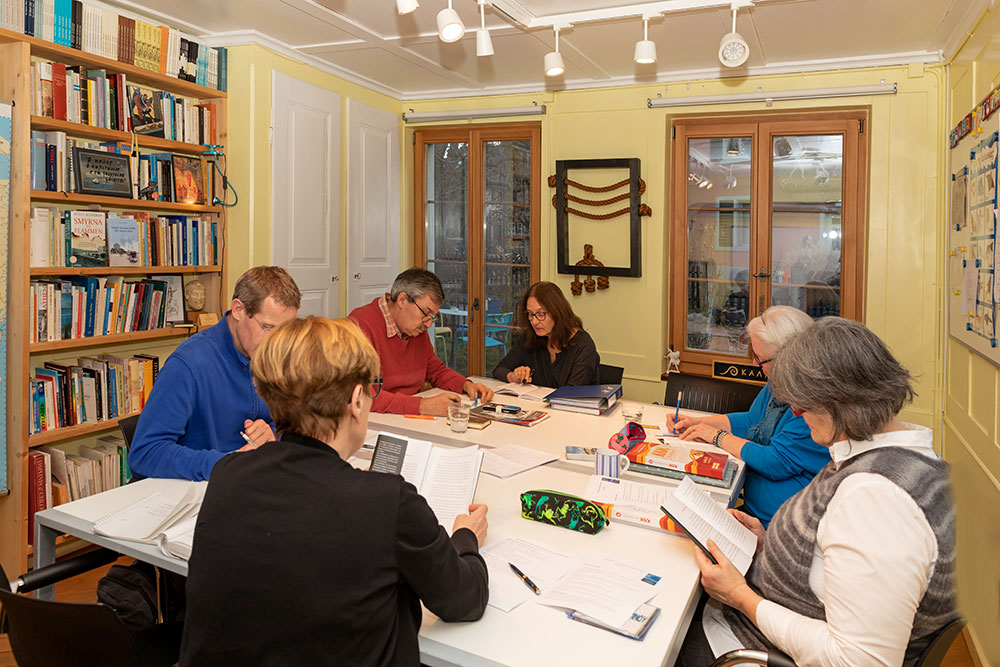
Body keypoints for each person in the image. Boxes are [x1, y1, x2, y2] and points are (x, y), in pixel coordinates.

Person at [179, 317, 489, 665]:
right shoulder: (389, 502)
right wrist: (465, 538)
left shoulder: (228, 475)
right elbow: (465, 601)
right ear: (357, 400)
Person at [678, 317, 958, 666]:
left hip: (745, 644)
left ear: (835, 401)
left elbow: (856, 661)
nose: (798, 416)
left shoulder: (876, 499)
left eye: (800, 407)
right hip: (760, 611)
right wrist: (768, 542)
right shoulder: (900, 457)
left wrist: (739, 596)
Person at [129, 266, 301, 480]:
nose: (277, 342)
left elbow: (296, 422)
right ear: (238, 310)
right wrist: (224, 464)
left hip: (253, 479)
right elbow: (145, 454)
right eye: (268, 328)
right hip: (203, 490)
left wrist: (273, 432)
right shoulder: (187, 365)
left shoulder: (277, 353)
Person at [665, 305, 829, 527]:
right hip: (755, 513)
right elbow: (752, 421)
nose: (754, 364)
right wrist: (697, 422)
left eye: (760, 359)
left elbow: (774, 461)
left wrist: (716, 436)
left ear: (788, 358)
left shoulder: (812, 405)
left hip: (781, 526)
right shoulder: (778, 383)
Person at [349, 268, 494, 415]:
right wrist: (422, 406)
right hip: (373, 420)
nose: (429, 324)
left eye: (433, 317)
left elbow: (436, 371)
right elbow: (363, 395)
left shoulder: (414, 329)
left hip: (405, 416)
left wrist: (466, 385)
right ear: (402, 300)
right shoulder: (360, 326)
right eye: (426, 313)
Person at [492, 281, 600, 388]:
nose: (534, 321)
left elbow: (573, 393)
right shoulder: (530, 336)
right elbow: (499, 369)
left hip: (570, 405)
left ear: (557, 312)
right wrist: (513, 376)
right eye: (530, 314)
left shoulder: (583, 345)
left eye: (541, 314)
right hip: (535, 404)